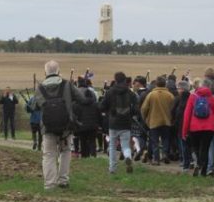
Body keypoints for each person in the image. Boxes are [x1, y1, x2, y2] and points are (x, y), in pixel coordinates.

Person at [31, 60, 89, 190]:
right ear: (58, 71)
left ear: (45, 72)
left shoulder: (39, 88)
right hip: (66, 127)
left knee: (49, 155)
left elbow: (34, 106)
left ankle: (50, 184)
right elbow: (81, 99)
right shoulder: (67, 85)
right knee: (66, 152)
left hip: (47, 127)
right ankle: (63, 180)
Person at [182, 79, 214, 176]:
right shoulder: (212, 98)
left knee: (196, 147)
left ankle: (198, 163)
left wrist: (184, 131)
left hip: (194, 127)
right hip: (209, 128)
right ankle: (203, 171)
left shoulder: (192, 97)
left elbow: (187, 115)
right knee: (205, 148)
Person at [100, 72, 137, 173]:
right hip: (126, 123)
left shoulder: (110, 92)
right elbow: (136, 108)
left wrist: (107, 112)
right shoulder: (130, 92)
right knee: (125, 145)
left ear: (115, 80)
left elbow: (102, 106)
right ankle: (128, 157)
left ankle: (113, 168)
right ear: (125, 80)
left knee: (112, 145)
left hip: (113, 123)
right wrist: (131, 113)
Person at [141, 76, 175, 165]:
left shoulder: (151, 95)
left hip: (153, 121)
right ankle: (165, 154)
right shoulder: (170, 95)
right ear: (165, 84)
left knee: (154, 141)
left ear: (156, 84)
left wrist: (144, 118)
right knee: (165, 139)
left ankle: (156, 159)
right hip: (167, 121)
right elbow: (173, 109)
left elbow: (144, 108)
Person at [74, 86, 101, 158]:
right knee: (92, 141)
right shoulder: (95, 104)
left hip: (82, 126)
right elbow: (99, 115)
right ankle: (93, 155)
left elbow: (77, 115)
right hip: (93, 126)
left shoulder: (79, 105)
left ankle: (84, 156)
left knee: (83, 142)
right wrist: (99, 124)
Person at [172, 80, 192, 172]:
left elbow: (173, 111)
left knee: (182, 144)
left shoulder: (178, 99)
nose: (177, 90)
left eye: (179, 88)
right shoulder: (192, 97)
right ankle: (191, 160)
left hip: (181, 124)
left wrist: (174, 121)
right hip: (192, 124)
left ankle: (185, 161)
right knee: (191, 144)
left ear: (182, 89)